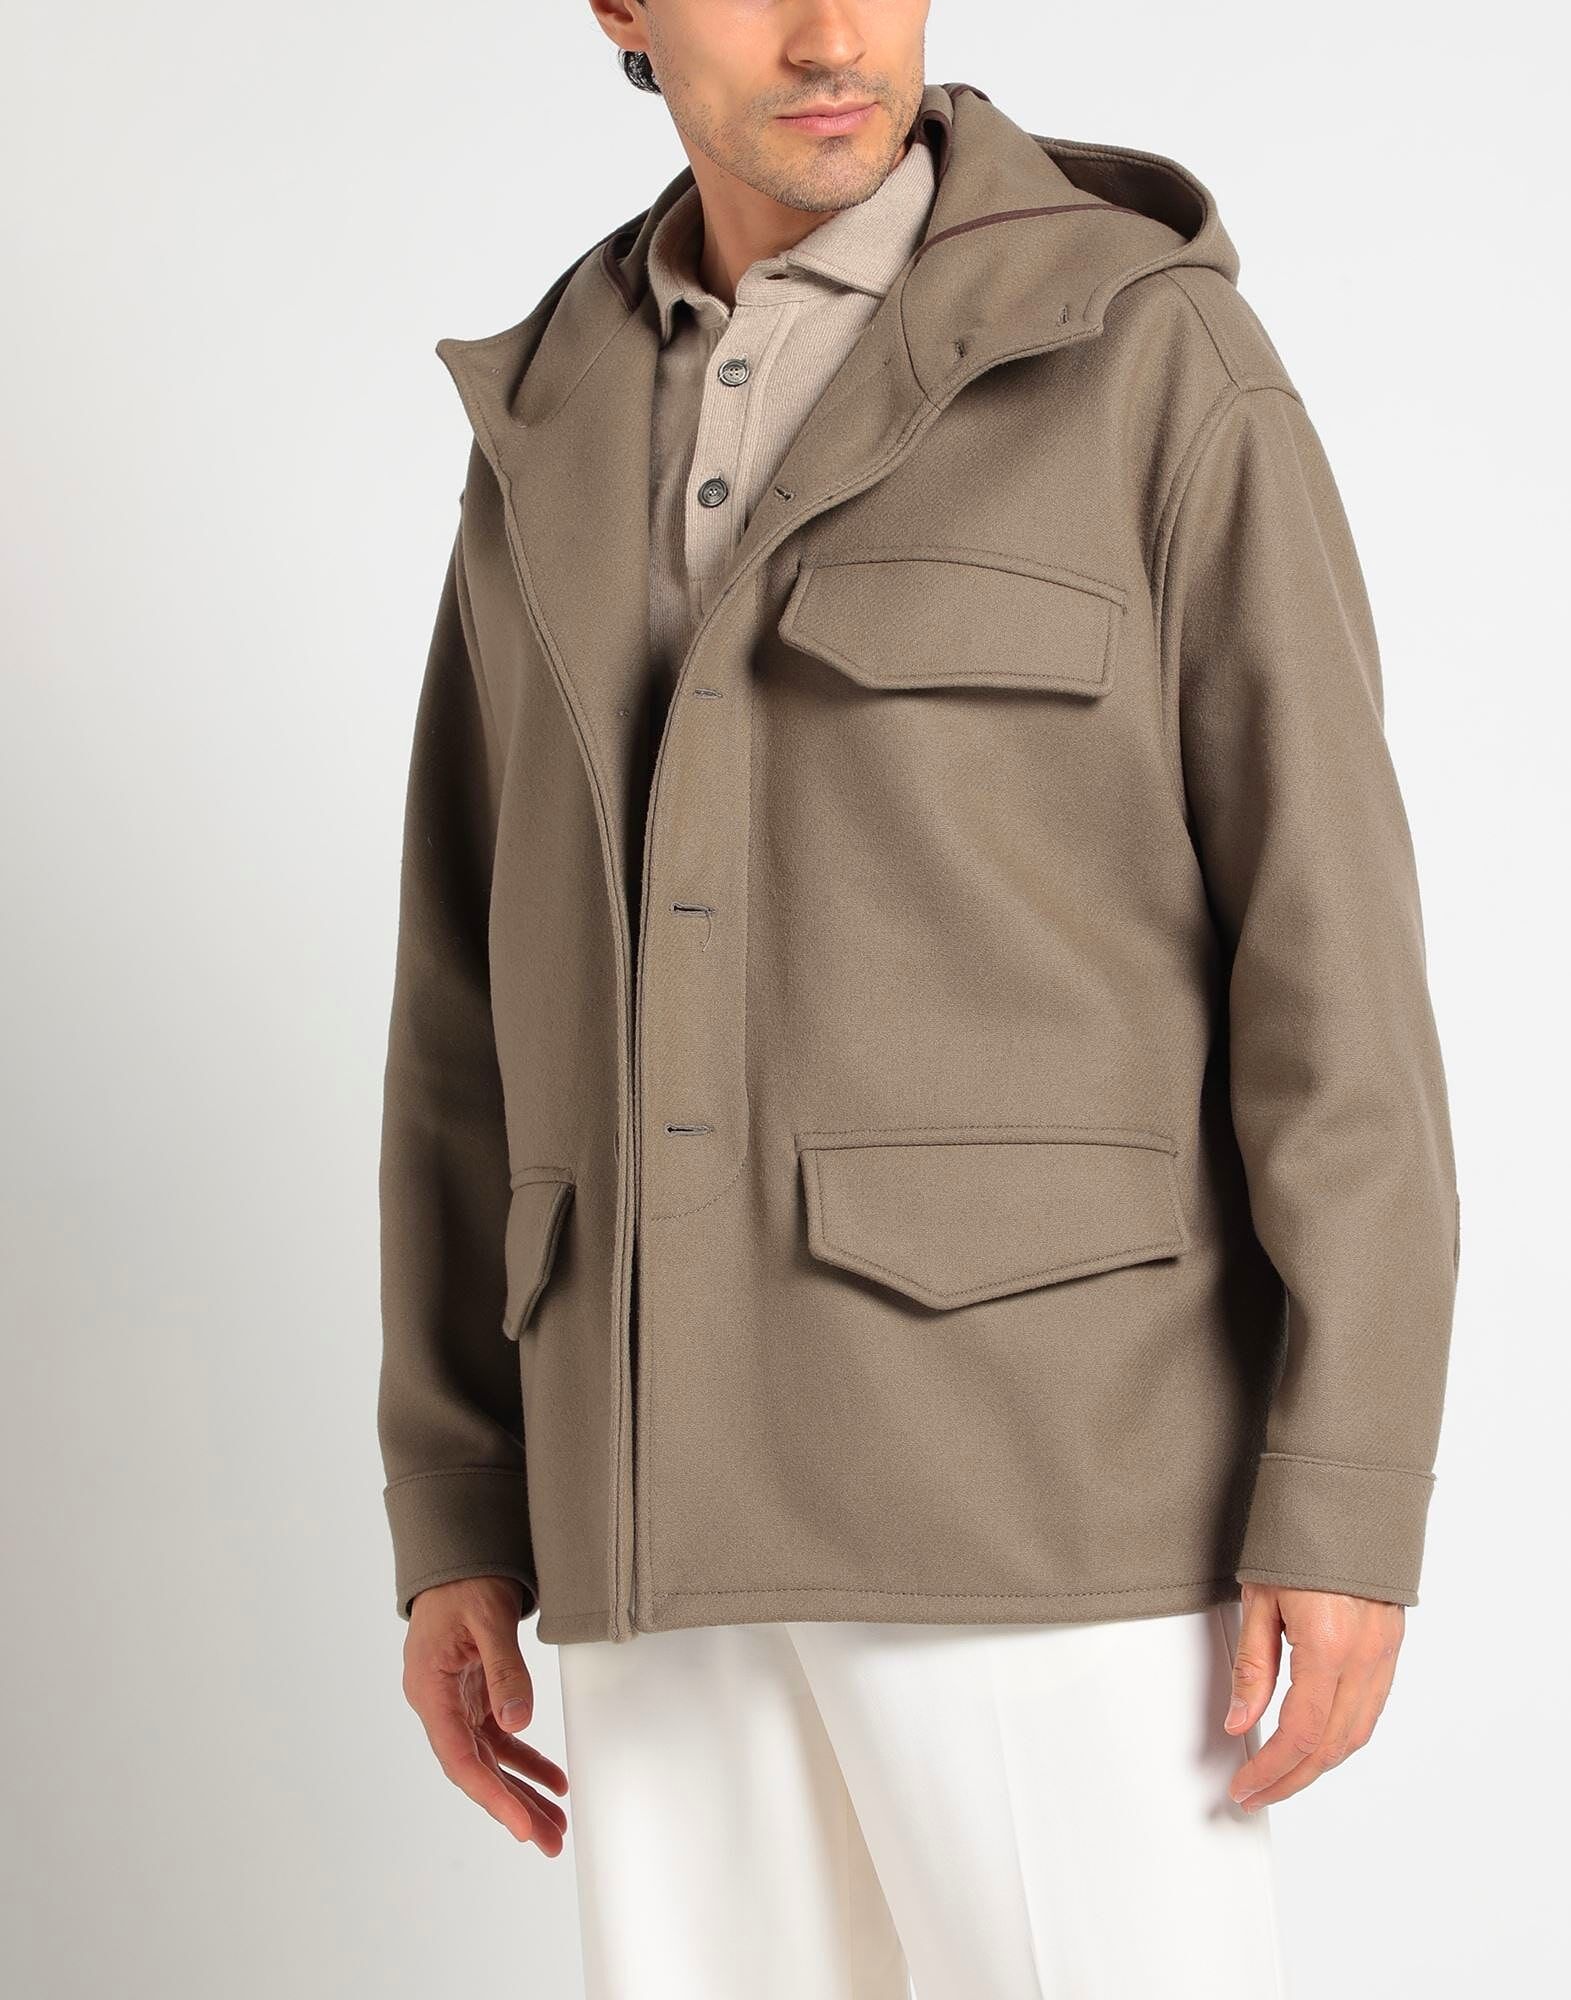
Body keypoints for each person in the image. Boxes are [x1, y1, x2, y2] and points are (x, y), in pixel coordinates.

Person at [375, 3, 1459, 1993]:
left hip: (1050, 1497)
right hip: (647, 1497)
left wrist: (1350, 1488)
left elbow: (1336, 967)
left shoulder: (1147, 355)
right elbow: (466, 987)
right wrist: (459, 1493)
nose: (829, 31)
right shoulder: (550, 411)